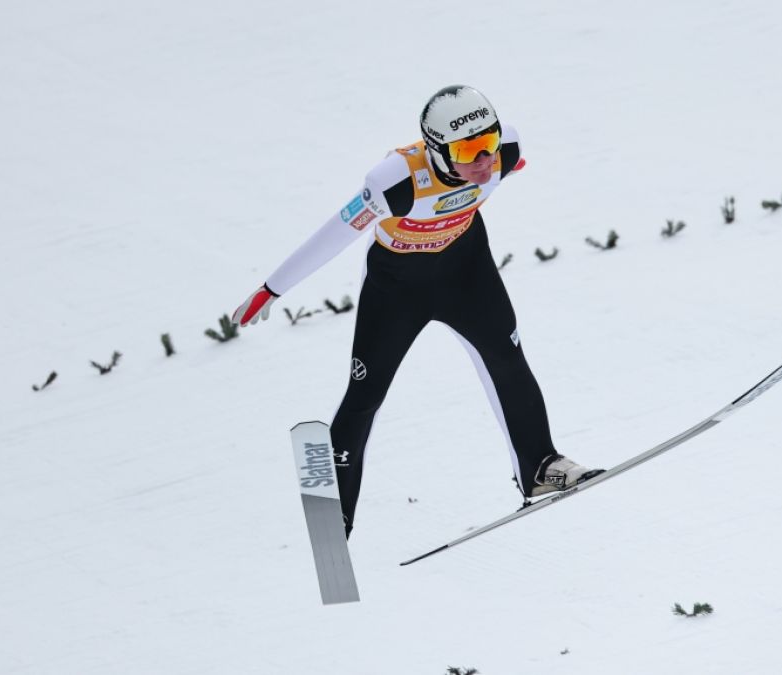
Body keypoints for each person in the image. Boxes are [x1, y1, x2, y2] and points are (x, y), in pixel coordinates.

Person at [232, 85, 603, 537]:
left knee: (507, 361)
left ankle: (540, 467)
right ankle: (330, 511)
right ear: (437, 151)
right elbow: (335, 234)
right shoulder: (395, 182)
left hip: (467, 274)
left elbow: (503, 159)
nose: (484, 161)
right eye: (469, 150)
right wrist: (271, 289)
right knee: (364, 396)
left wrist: (501, 157)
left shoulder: (506, 151)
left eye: (488, 144)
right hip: (397, 290)